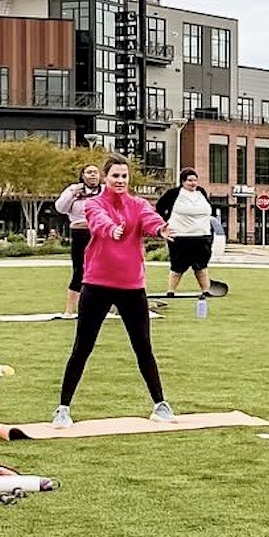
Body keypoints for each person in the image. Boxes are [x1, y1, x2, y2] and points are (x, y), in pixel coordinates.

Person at [52, 156, 173, 428]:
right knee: (82, 347)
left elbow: (149, 219)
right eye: (115, 176)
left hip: (132, 287)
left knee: (143, 347)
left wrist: (160, 229)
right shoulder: (94, 203)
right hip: (97, 285)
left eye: (124, 176)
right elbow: (98, 221)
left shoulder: (138, 204)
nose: (120, 181)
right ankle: (63, 409)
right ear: (106, 178)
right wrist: (112, 229)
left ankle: (160, 405)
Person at [153, 168, 215, 297]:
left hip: (202, 236)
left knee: (201, 265)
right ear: (183, 181)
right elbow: (159, 208)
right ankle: (171, 291)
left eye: (195, 180)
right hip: (180, 236)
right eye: (189, 180)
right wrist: (164, 224)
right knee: (177, 265)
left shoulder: (201, 192)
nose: (193, 183)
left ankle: (206, 290)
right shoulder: (174, 193)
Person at [54, 164, 103, 317]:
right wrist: (72, 195)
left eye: (95, 172)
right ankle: (70, 310)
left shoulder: (105, 191)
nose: (93, 175)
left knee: (104, 269)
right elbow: (60, 208)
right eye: (89, 172)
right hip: (79, 233)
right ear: (82, 176)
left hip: (100, 232)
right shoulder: (73, 190)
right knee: (79, 270)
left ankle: (105, 307)